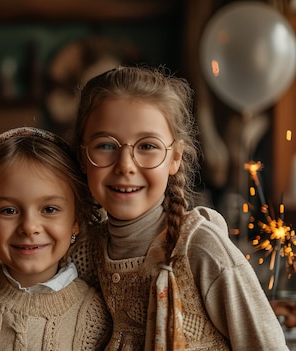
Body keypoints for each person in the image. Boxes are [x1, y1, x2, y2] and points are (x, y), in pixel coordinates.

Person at [70, 65, 289, 350]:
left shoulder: (201, 250)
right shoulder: (85, 252)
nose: (125, 166)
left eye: (147, 146)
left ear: (174, 158)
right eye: (106, 146)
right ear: (83, 156)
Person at [0, 127, 112, 350]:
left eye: (49, 209)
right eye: (8, 211)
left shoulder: (94, 312)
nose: (29, 227)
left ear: (76, 220)